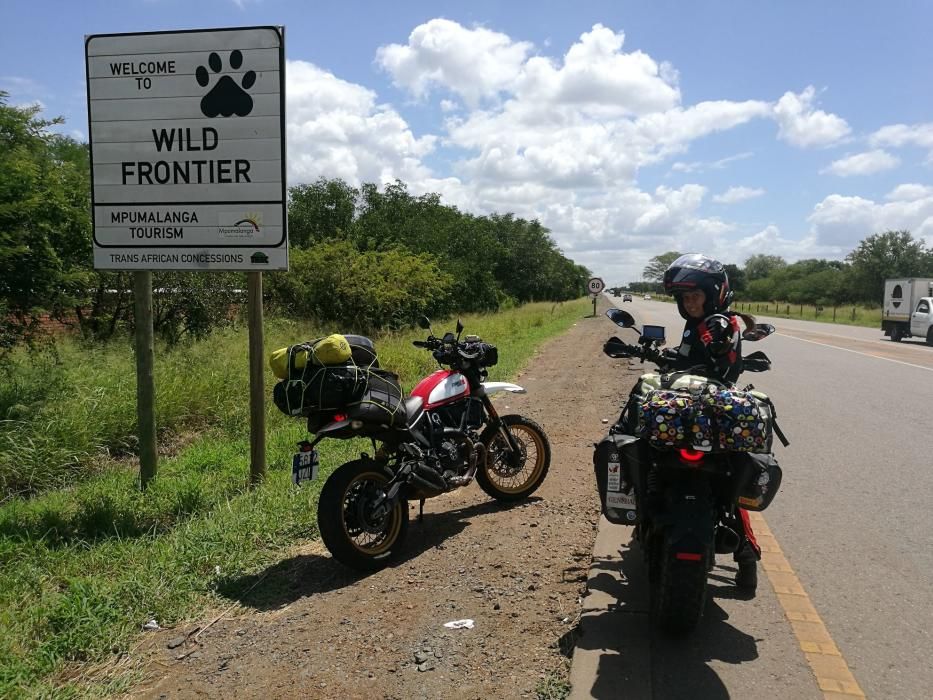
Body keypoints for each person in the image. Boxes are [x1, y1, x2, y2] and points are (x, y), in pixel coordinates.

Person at [662, 253, 761, 591]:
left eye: (696, 297)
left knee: (732, 486)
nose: (690, 304)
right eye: (685, 298)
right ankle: (746, 558)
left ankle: (748, 555)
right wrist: (659, 352)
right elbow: (688, 358)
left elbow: (718, 354)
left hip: (715, 413)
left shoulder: (720, 323)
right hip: (693, 407)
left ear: (714, 293)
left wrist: (717, 343)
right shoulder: (698, 325)